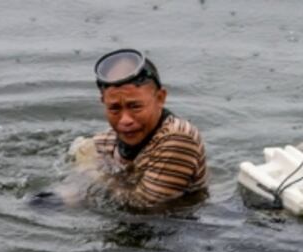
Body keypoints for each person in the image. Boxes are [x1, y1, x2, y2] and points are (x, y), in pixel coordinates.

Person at [65, 48, 208, 211]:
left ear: (160, 98)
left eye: (135, 107)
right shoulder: (109, 140)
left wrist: (91, 173)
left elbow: (144, 205)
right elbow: (82, 152)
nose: (125, 120)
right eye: (115, 109)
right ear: (103, 102)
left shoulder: (178, 138)